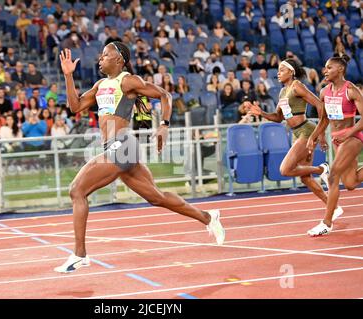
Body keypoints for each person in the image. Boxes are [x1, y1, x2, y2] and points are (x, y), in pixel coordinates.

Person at [54, 44, 225, 273]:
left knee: (77, 190)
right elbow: (74, 106)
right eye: (101, 55)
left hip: (122, 144)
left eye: (106, 55)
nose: (100, 58)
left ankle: (80, 254)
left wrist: (164, 125)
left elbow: (164, 95)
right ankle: (207, 217)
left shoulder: (127, 81)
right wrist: (68, 76)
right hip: (116, 148)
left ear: (119, 60)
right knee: (156, 197)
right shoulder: (100, 85)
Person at [246, 58, 343, 220]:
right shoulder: (283, 92)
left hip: (306, 131)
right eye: (278, 70)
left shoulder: (297, 86)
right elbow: (278, 117)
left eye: (282, 70)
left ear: (291, 72)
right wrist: (261, 113)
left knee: (285, 170)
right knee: (305, 178)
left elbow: (320, 105)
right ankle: (332, 207)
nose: (278, 72)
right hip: (296, 133)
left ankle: (322, 169)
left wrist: (319, 134)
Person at [306, 55, 363, 236]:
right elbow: (324, 120)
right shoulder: (324, 92)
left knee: (333, 177)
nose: (325, 71)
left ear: (340, 70)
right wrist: (316, 136)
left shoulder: (351, 90)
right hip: (337, 140)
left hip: (353, 137)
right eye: (325, 67)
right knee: (351, 182)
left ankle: (327, 223)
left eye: (329, 68)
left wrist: (349, 132)